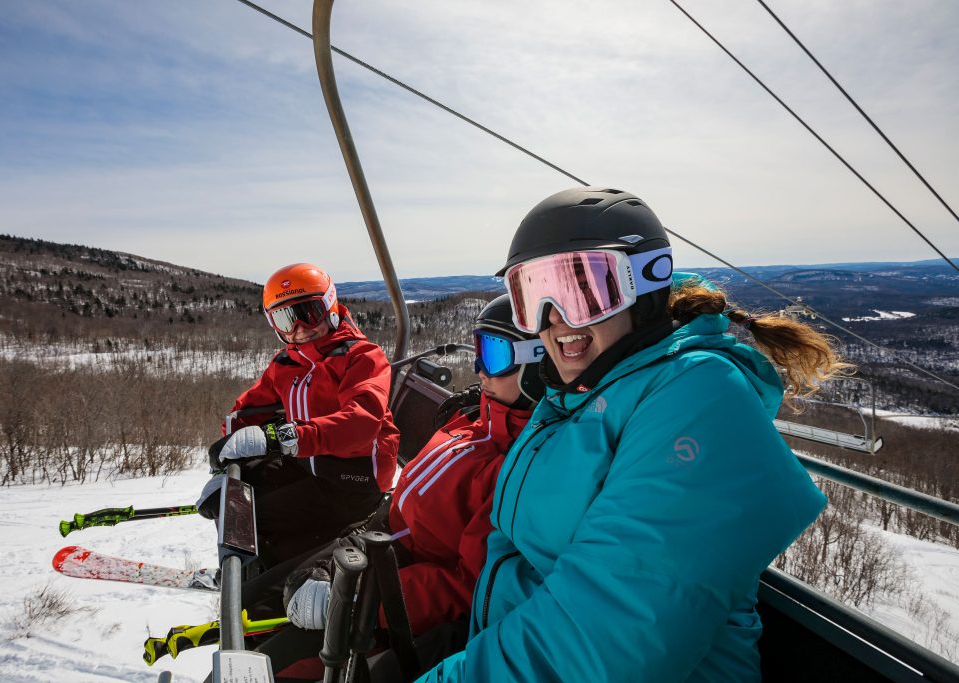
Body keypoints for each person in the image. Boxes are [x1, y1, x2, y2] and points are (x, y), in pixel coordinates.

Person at [416, 188, 849, 683]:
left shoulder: (700, 395)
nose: (553, 319)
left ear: (643, 286)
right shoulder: (575, 391)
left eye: (583, 290)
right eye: (532, 295)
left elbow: (604, 639)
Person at [234, 294, 546, 680]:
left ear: (539, 364)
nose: (480, 371)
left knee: (271, 662)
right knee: (250, 602)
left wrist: (366, 602)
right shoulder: (473, 419)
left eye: (494, 356)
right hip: (375, 542)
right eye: (478, 353)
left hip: (395, 583)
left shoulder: (518, 467)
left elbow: (469, 584)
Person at [197, 262, 400, 568]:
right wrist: (229, 445)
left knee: (253, 514)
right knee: (235, 493)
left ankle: (267, 585)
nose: (299, 328)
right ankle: (260, 571)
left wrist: (283, 436)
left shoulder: (361, 357)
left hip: (352, 479)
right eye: (285, 319)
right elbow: (249, 409)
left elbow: (361, 423)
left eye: (308, 313)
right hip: (306, 465)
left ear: (330, 306)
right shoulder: (288, 362)